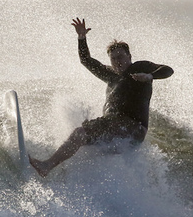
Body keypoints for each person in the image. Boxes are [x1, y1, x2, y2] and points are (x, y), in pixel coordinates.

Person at [29, 17, 174, 176]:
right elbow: (86, 60)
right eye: (114, 58)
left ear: (129, 56)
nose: (117, 61)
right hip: (117, 131)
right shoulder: (109, 74)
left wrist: (150, 76)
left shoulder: (139, 67)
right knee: (82, 142)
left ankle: (47, 166)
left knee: (81, 132)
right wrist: (81, 38)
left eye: (121, 57)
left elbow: (168, 70)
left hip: (132, 128)